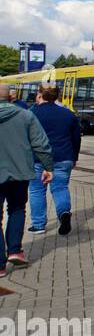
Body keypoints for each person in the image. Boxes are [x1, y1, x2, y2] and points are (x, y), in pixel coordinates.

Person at [0, 87, 53, 279]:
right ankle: (14, 250)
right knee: (16, 209)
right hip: (19, 173)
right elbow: (41, 143)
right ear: (12, 97)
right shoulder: (26, 115)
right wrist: (48, 167)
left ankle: (0, 265)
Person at [29, 85, 81, 236]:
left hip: (37, 158)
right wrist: (74, 157)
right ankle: (64, 213)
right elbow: (76, 139)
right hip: (63, 157)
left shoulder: (32, 113)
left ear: (40, 95)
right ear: (57, 96)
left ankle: (38, 224)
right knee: (60, 188)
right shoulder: (68, 114)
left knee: (37, 190)